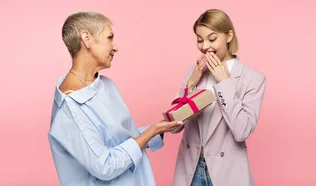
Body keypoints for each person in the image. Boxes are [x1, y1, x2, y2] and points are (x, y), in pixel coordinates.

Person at [48, 11, 183, 186]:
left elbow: (123, 140)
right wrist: (152, 131)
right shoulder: (71, 108)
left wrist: (161, 128)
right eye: (109, 37)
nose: (115, 47)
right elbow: (105, 166)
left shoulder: (105, 85)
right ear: (87, 39)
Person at [171, 9, 267, 186]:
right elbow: (173, 127)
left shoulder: (253, 79)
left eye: (212, 39)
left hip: (228, 172)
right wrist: (189, 86)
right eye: (200, 40)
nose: (205, 46)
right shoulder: (193, 74)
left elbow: (242, 131)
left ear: (229, 36)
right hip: (191, 169)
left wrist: (225, 83)